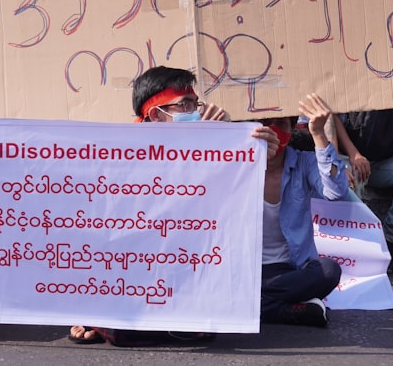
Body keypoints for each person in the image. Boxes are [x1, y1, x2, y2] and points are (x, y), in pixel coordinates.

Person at [68, 66, 278, 345]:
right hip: (130, 267)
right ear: (156, 114)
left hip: (185, 264)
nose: (196, 111)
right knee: (122, 331)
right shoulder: (116, 154)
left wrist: (246, 149)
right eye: (185, 105)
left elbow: (224, 207)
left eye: (195, 103)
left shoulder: (209, 141)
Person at [258, 95, 347, 327]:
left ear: (291, 128)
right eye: (265, 123)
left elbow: (335, 192)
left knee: (329, 271)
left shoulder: (304, 162)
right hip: (247, 269)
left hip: (292, 270)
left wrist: (319, 134)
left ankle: (257, 304)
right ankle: (285, 309)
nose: (273, 131)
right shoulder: (236, 164)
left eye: (280, 124)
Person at [332, 109, 393, 256]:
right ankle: (356, 243)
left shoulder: (391, 87)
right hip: (348, 158)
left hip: (382, 161)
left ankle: (389, 240)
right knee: (349, 178)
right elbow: (333, 117)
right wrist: (353, 154)